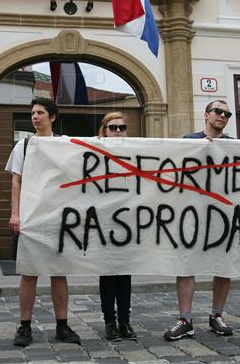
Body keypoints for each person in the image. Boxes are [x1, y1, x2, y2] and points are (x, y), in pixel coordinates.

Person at [7, 97, 81, 347]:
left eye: (40, 112)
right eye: (32, 113)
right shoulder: (24, 146)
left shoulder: (65, 144)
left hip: (59, 216)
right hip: (31, 216)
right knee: (29, 273)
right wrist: (15, 213)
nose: (35, 117)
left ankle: (62, 325)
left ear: (52, 117)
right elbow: (16, 181)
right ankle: (24, 326)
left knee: (59, 273)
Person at [164, 100, 235, 340]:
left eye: (227, 113)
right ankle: (185, 318)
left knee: (223, 265)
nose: (222, 116)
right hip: (191, 214)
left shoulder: (235, 145)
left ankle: (217, 315)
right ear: (206, 115)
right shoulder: (189, 141)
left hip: (223, 216)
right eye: (218, 111)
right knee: (186, 264)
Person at [96, 112, 137, 341]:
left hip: (128, 223)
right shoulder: (95, 152)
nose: (118, 131)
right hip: (103, 223)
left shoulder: (134, 153)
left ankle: (125, 321)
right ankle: (110, 322)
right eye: (113, 128)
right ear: (105, 131)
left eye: (122, 127)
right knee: (108, 275)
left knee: (124, 275)